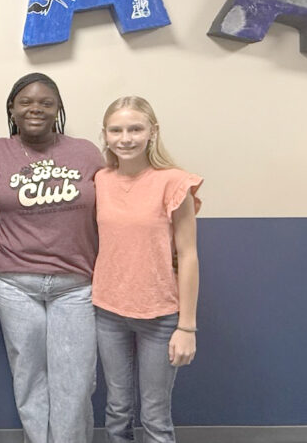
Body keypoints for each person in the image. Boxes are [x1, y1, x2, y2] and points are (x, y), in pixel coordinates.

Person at [0, 72, 104, 443]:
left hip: (76, 283)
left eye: (45, 103)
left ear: (58, 109)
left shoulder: (86, 152)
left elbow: (109, 207)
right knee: (29, 376)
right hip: (13, 282)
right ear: (12, 108)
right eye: (26, 102)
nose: (35, 108)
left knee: (76, 379)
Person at [92, 96, 202, 443]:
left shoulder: (174, 182)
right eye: (116, 130)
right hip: (108, 312)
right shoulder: (100, 180)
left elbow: (188, 255)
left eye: (135, 129)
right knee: (117, 409)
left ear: (153, 132)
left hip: (159, 315)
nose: (126, 138)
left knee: (154, 415)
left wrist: (187, 327)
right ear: (105, 135)